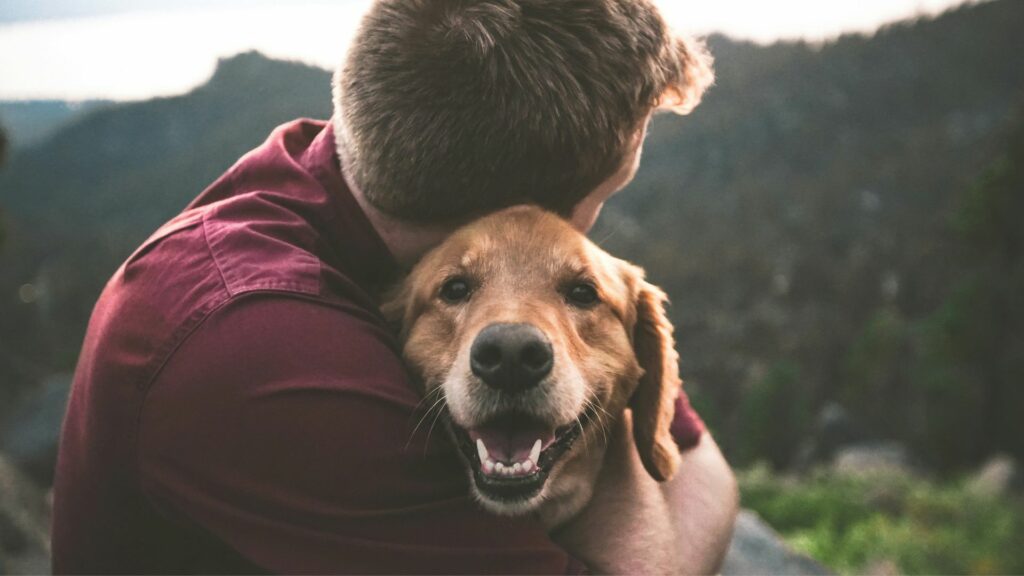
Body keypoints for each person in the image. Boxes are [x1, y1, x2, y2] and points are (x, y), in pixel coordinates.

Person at [51, 0, 737, 573]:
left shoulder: (353, 176)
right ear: (520, 210)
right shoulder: (260, 347)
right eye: (606, 195)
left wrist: (613, 416)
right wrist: (618, 452)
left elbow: (703, 466)